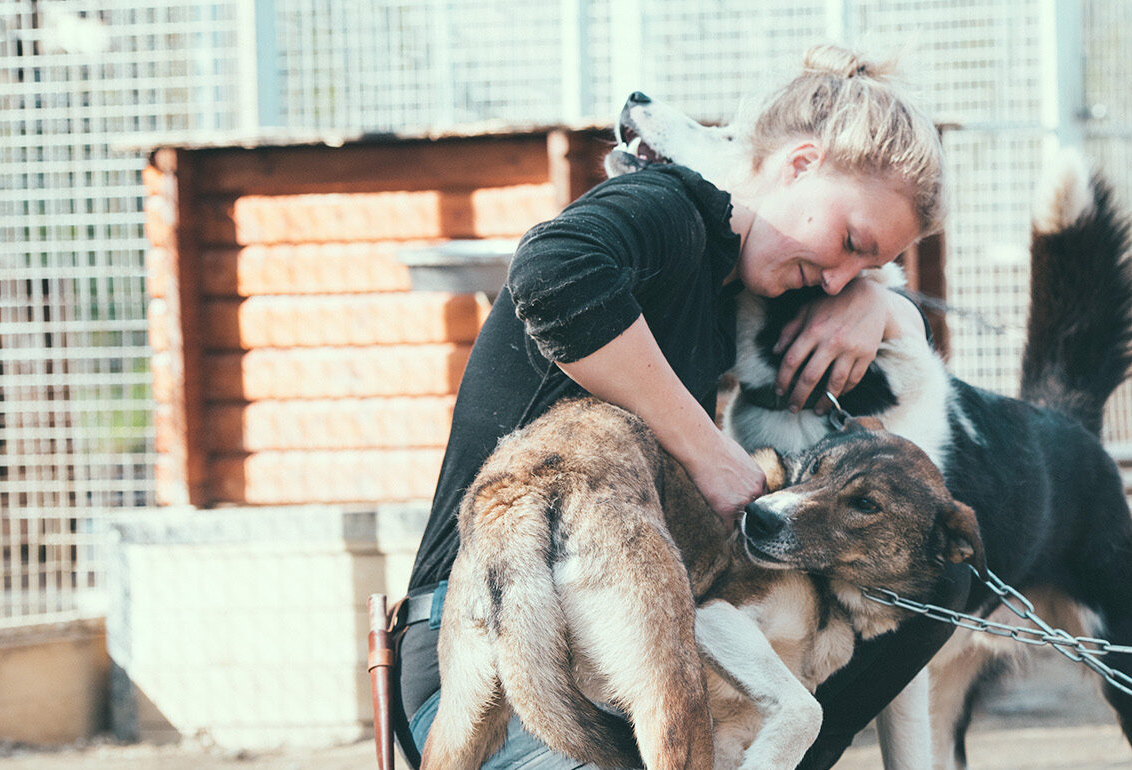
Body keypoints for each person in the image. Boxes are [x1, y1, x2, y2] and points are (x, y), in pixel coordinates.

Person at [397, 45, 966, 770]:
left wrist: (879, 305)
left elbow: (910, 427)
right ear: (799, 165)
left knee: (935, 579)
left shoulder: (744, 284)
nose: (836, 280)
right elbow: (552, 274)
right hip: (489, 647)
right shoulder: (669, 208)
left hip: (624, 656)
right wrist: (708, 450)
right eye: (850, 244)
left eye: (867, 265)